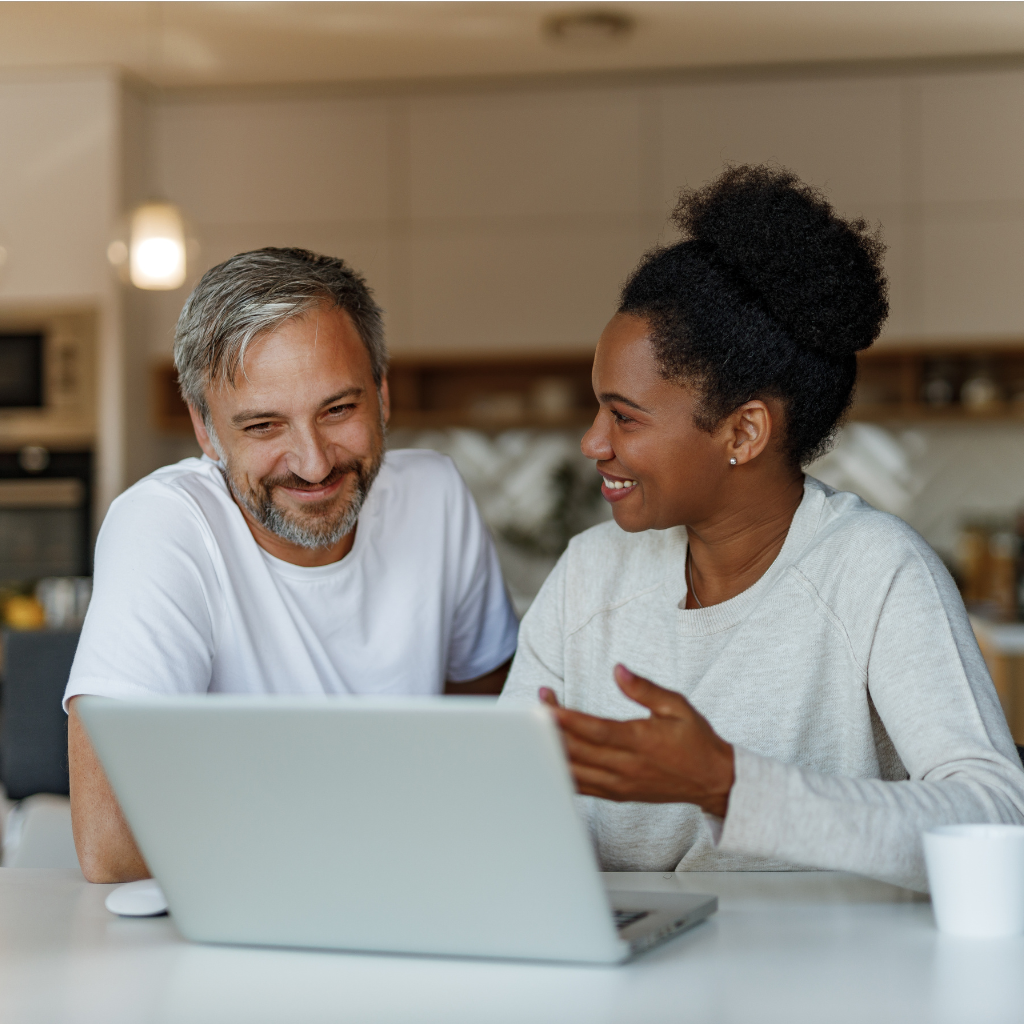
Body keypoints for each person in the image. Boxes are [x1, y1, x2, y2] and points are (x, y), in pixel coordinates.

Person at [500, 165, 1024, 892]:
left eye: (624, 416)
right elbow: (505, 805)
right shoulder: (590, 574)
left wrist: (729, 786)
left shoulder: (874, 573)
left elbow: (998, 817)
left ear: (743, 432)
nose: (593, 443)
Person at [66, 248, 518, 883]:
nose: (312, 463)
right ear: (204, 428)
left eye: (339, 410)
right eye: (262, 426)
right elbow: (111, 844)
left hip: (412, 898)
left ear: (382, 395)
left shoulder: (435, 495)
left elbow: (495, 743)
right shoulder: (163, 525)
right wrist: (402, 813)